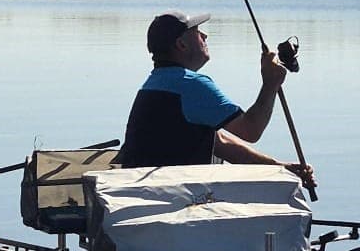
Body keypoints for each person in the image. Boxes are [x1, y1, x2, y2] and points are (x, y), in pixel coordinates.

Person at [119, 10, 313, 184]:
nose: (205, 35)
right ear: (181, 44)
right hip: (163, 193)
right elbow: (251, 130)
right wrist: (270, 84)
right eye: (197, 32)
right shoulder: (190, 84)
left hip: (145, 190)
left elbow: (220, 143)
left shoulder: (156, 82)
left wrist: (279, 168)